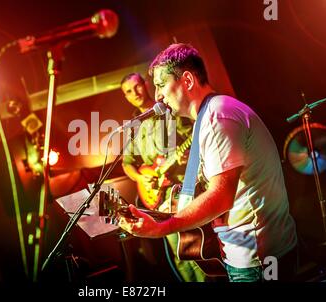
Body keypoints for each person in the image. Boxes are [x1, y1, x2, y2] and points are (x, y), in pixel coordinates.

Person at [119, 43, 299, 282]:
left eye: (161, 85)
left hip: (259, 259)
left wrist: (162, 227)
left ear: (188, 81)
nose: (157, 96)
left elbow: (221, 196)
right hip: (255, 253)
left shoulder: (217, 117)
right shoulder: (208, 117)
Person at [120, 72, 208, 282]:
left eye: (137, 86)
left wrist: (189, 153)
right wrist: (141, 179)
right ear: (126, 97)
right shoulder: (133, 126)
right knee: (179, 254)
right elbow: (127, 163)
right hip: (159, 199)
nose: (136, 93)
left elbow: (194, 136)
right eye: (129, 92)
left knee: (197, 246)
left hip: (185, 190)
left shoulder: (169, 110)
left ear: (146, 84)